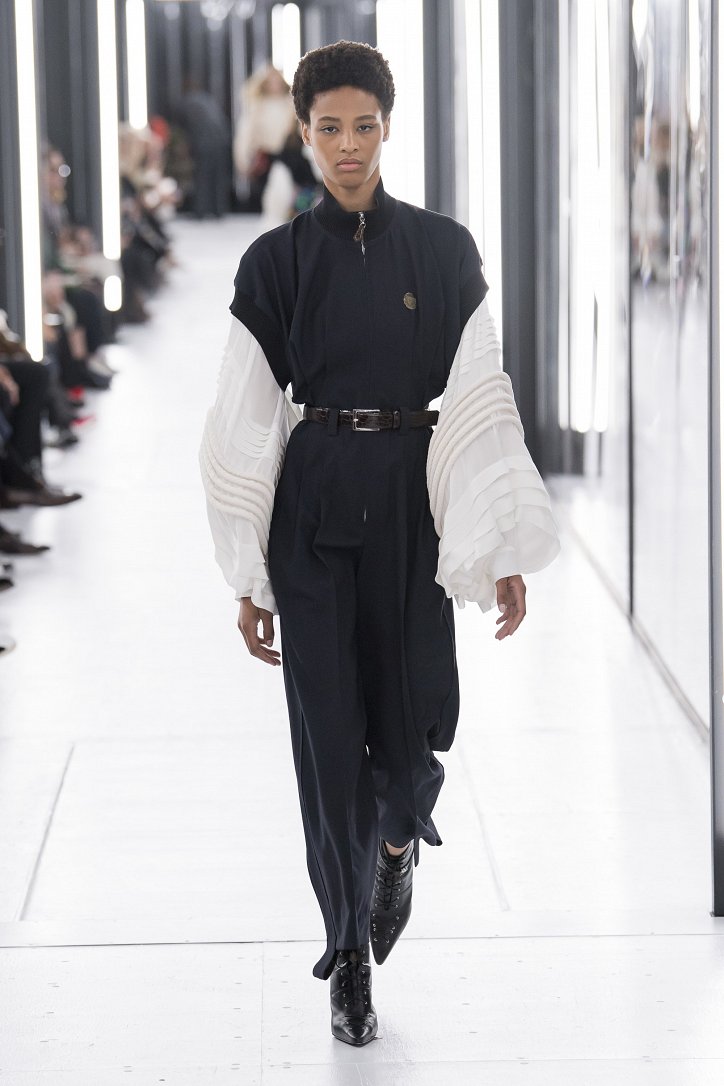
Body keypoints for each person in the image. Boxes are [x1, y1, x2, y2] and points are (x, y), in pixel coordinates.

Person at [199, 41, 561, 1047]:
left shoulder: (442, 252)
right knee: (327, 745)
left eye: (363, 126)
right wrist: (246, 571)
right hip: (313, 508)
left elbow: (480, 397)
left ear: (388, 127)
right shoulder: (275, 264)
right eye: (329, 128)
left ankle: (398, 845)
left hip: (411, 504)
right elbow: (244, 415)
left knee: (413, 728)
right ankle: (348, 956)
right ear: (304, 133)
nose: (347, 146)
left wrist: (498, 546)